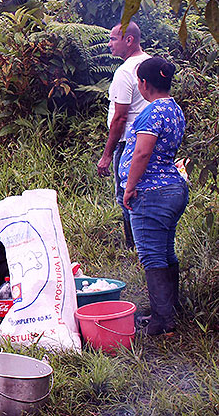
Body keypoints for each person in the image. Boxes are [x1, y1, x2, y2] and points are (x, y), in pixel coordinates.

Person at [118, 57, 187, 336]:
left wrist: (129, 186)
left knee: (152, 255)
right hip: (174, 188)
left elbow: (142, 153)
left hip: (151, 192)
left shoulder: (151, 112)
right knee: (165, 250)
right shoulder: (175, 110)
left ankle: (162, 322)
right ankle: (170, 310)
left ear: (144, 84)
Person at [97, 22, 151, 249]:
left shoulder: (125, 72)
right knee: (146, 190)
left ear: (129, 40)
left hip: (129, 143)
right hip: (150, 139)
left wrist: (107, 154)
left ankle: (134, 247)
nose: (109, 44)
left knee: (126, 195)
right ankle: (147, 242)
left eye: (113, 39)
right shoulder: (150, 63)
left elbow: (120, 117)